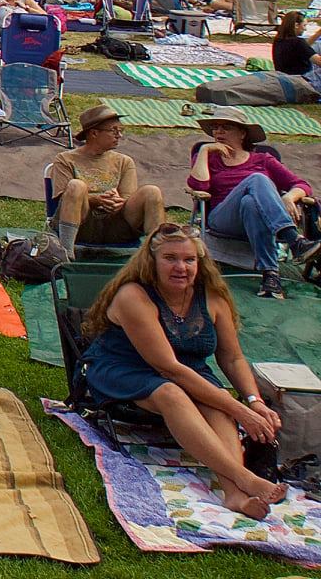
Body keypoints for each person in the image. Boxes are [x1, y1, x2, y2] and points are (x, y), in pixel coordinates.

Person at [79, 224, 286, 519]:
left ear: (200, 263)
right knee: (172, 393)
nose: (181, 267)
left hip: (190, 371)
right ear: (152, 261)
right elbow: (167, 367)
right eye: (170, 258)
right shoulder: (133, 296)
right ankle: (244, 477)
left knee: (219, 405)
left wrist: (253, 401)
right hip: (125, 366)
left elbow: (233, 357)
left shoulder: (212, 297)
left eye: (189, 260)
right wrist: (243, 413)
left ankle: (234, 494)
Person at [188, 110, 318, 297]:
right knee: (256, 179)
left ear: (242, 133)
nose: (219, 132)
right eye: (215, 128)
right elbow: (198, 185)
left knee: (250, 203)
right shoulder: (209, 158)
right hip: (222, 219)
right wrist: (204, 150)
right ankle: (294, 240)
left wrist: (289, 197)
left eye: (226, 127)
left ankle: (270, 276)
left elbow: (301, 185)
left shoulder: (263, 160)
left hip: (256, 219)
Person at [51, 106, 167, 251]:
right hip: (82, 225)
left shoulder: (124, 161)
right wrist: (97, 200)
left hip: (117, 226)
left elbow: (128, 198)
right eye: (114, 130)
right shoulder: (66, 159)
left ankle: (157, 253)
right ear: (94, 133)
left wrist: (117, 201)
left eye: (121, 130)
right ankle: (65, 251)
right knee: (76, 186)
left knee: (152, 191)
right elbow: (63, 199)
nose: (119, 135)